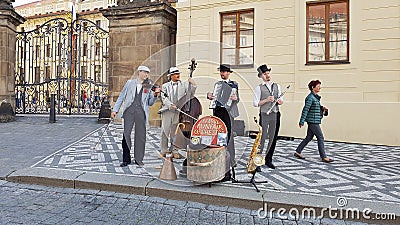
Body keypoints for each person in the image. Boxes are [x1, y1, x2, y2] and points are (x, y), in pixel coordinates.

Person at [111, 65, 160, 167]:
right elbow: (121, 96)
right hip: (129, 112)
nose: (146, 75)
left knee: (141, 136)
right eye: (144, 72)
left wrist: (155, 95)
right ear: (139, 72)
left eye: (147, 73)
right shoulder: (130, 83)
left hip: (141, 113)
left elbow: (150, 103)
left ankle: (138, 159)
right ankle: (126, 159)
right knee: (126, 135)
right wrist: (115, 110)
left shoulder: (149, 86)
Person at [207, 64, 239, 181]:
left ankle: (232, 160)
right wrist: (209, 96)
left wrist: (235, 99)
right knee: (220, 136)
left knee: (229, 136)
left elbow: (237, 99)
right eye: (221, 72)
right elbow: (213, 96)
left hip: (228, 113)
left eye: (224, 72)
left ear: (228, 73)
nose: (222, 73)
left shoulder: (233, 84)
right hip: (218, 111)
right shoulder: (218, 84)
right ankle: (221, 158)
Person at [159, 66, 197, 159]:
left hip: (178, 111)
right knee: (165, 131)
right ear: (171, 76)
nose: (178, 75)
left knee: (176, 131)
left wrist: (193, 85)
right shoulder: (165, 86)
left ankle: (175, 150)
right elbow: (164, 98)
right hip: (167, 111)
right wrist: (170, 105)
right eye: (175, 74)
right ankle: (163, 150)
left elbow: (190, 95)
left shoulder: (183, 85)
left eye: (178, 74)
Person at [294, 80, 333, 163]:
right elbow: (306, 109)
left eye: (319, 86)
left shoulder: (315, 97)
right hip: (313, 121)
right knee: (320, 137)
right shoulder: (310, 98)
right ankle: (324, 157)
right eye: (318, 86)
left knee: (309, 137)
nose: (319, 88)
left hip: (314, 120)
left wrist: (322, 108)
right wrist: (301, 121)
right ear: (313, 87)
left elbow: (313, 107)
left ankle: (298, 151)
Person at [253, 64, 283, 169]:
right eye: (264, 74)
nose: (267, 75)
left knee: (273, 138)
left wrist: (279, 101)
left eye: (268, 73)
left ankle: (268, 159)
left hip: (275, 113)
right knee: (262, 138)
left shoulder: (277, 86)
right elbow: (255, 103)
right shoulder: (259, 88)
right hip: (264, 114)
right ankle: (258, 161)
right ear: (261, 76)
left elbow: (281, 100)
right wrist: (266, 100)